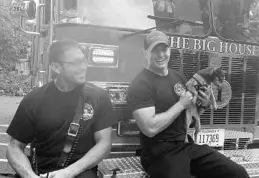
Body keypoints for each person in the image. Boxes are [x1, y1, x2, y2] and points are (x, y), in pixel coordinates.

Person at [126, 30, 249, 178]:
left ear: (169, 50)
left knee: (237, 173)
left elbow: (188, 119)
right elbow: (150, 128)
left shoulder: (178, 77)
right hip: (158, 152)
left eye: (164, 49)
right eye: (154, 51)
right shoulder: (140, 84)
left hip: (184, 145)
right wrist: (181, 104)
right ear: (145, 53)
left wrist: (202, 105)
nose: (160, 55)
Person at [6, 40, 116, 178]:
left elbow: (104, 144)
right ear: (56, 67)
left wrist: (68, 172)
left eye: (84, 61)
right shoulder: (34, 99)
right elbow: (14, 146)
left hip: (80, 171)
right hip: (39, 171)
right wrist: (29, 175)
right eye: (75, 63)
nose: (83, 67)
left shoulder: (98, 97)